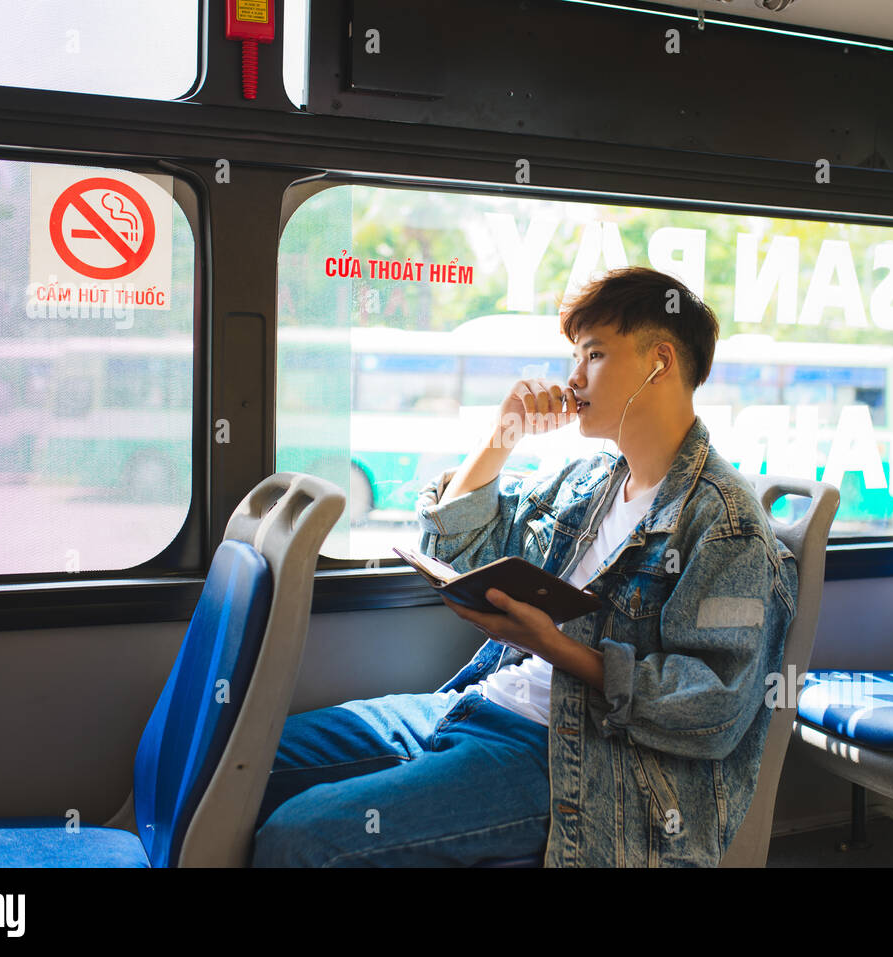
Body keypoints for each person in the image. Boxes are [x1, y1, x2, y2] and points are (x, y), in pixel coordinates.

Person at [253, 266, 798, 867]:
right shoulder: (592, 481)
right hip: (476, 704)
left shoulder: (725, 522)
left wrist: (555, 646)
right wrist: (503, 433)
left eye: (593, 354)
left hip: (574, 758)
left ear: (659, 362)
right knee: (242, 761)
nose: (573, 376)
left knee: (300, 836)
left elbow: (713, 709)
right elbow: (460, 545)